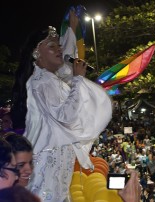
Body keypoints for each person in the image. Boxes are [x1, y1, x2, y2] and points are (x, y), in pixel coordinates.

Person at [11, 9, 112, 201]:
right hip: (47, 161)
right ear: (36, 54)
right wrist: (78, 81)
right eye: (52, 47)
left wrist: (72, 28)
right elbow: (66, 116)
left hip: (59, 159)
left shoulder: (52, 78)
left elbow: (65, 59)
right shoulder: (41, 82)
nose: (59, 50)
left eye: (59, 46)